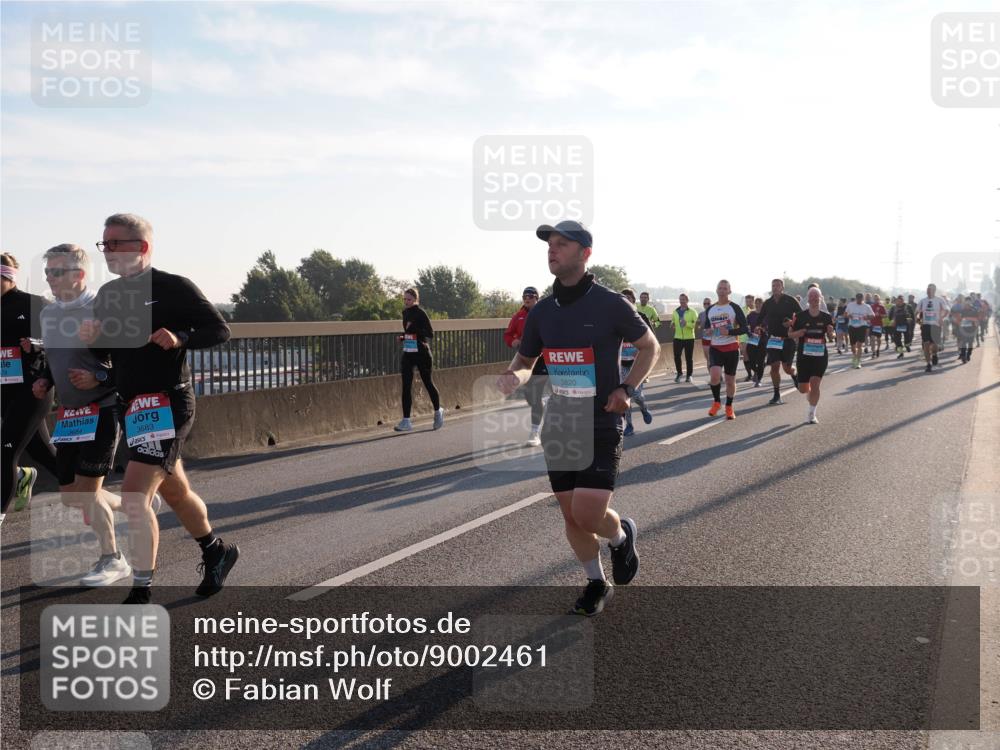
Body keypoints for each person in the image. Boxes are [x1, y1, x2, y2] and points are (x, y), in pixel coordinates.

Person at [496, 220, 657, 617]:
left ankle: (621, 537)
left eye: (562, 244)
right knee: (571, 515)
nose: (552, 250)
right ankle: (596, 582)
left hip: (601, 420)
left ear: (585, 253)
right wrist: (512, 377)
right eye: (550, 244)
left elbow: (649, 347)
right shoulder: (543, 311)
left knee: (588, 513)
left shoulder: (610, 304)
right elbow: (525, 360)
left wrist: (627, 389)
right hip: (561, 422)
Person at [81, 213, 238, 604]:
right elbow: (107, 352)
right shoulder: (108, 295)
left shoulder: (173, 287)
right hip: (132, 405)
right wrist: (93, 341)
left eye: (116, 243)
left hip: (169, 404)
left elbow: (219, 329)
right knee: (176, 490)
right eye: (105, 245)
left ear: (142, 247)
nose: (109, 252)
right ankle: (216, 550)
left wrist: (180, 336)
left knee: (135, 495)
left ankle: (141, 589)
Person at [34, 244, 144, 585]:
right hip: (69, 415)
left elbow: (131, 363)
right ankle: (131, 507)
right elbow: (57, 357)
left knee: (88, 492)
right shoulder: (49, 314)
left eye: (56, 271)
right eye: (48, 272)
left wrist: (98, 377)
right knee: (71, 495)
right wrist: (45, 378)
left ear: (79, 274)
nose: (49, 278)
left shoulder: (102, 309)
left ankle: (113, 558)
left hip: (103, 409)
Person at [1, 253, 59, 521]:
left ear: (8, 278)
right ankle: (98, 496)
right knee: (45, 455)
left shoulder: (35, 304)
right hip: (3, 391)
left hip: (32, 389)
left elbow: (66, 340)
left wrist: (38, 344)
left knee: (5, 450)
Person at [395, 288, 444, 432]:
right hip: (409, 352)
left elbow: (430, 333)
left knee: (428, 383)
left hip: (422, 353)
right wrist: (403, 337)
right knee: (406, 385)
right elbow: (409, 332)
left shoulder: (421, 313)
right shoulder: (405, 313)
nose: (406, 302)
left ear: (415, 300)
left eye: (409, 299)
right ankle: (406, 421)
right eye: (404, 299)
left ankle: (438, 411)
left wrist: (414, 330)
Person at [504, 286, 547, 446]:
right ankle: (542, 404)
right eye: (524, 296)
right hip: (525, 360)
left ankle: (534, 432)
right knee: (530, 396)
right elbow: (508, 334)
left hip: (543, 360)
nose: (526, 298)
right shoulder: (519, 316)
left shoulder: (545, 314)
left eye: (530, 296)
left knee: (536, 394)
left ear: (537, 297)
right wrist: (513, 341)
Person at [787, 287, 834, 424]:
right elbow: (790, 334)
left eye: (816, 296)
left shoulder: (826, 317)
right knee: (803, 389)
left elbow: (832, 336)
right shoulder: (800, 316)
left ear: (820, 298)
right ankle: (803, 385)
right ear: (808, 299)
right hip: (804, 355)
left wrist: (831, 333)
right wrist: (798, 333)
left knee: (815, 384)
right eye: (811, 296)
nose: (814, 299)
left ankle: (812, 413)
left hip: (820, 356)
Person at [704, 280, 748, 420]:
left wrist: (728, 332)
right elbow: (706, 329)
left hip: (731, 348)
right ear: (716, 291)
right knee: (715, 376)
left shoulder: (734, 307)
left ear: (729, 291)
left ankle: (729, 406)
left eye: (725, 288)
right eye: (720, 288)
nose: (722, 290)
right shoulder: (710, 309)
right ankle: (717, 402)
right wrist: (709, 331)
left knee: (730, 381)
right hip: (715, 348)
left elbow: (744, 328)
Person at [757, 279, 800, 405]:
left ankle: (794, 375)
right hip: (773, 340)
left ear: (782, 287)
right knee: (774, 367)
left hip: (787, 339)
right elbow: (760, 318)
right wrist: (758, 326)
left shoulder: (790, 300)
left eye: (777, 285)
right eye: (773, 285)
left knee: (787, 369)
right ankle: (776, 394)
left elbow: (801, 315)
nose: (775, 287)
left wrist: (792, 323)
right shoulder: (768, 303)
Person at [619, 289, 654, 436]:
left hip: (637, 363)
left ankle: (644, 409)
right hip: (621, 363)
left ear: (633, 301)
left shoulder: (642, 317)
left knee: (637, 396)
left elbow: (652, 343)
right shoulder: (614, 318)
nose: (627, 301)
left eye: (629, 298)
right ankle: (629, 425)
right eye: (624, 299)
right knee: (624, 395)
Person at [917, 283, 947, 373]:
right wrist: (917, 318)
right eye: (927, 289)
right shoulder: (923, 301)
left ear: (934, 290)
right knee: (926, 344)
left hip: (935, 325)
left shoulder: (939, 300)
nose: (928, 291)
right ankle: (928, 364)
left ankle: (934, 354)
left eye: (930, 289)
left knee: (934, 345)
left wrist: (941, 318)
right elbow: (917, 312)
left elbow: (946, 310)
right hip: (925, 325)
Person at [671, 293, 697, 383]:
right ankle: (679, 373)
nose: (682, 301)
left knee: (688, 358)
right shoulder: (675, 311)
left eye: (683, 299)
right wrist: (672, 324)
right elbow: (673, 321)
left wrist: (687, 324)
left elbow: (696, 324)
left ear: (687, 300)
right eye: (680, 299)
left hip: (689, 338)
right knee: (677, 356)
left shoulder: (692, 311)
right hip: (677, 337)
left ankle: (689, 375)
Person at [844, 292, 874, 369]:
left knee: (859, 345)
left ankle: (858, 361)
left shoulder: (866, 306)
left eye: (861, 299)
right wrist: (849, 315)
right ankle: (854, 356)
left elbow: (873, 315)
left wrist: (866, 318)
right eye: (858, 299)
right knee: (853, 346)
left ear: (863, 299)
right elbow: (845, 314)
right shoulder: (850, 305)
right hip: (852, 326)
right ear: (856, 298)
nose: (859, 300)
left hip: (862, 326)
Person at [745, 296, 766, 386]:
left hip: (763, 340)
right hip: (753, 339)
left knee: (760, 361)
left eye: (760, 303)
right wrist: (750, 333)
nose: (758, 305)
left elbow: (770, 327)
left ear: (763, 304)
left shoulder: (767, 315)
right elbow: (746, 327)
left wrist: (763, 329)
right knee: (751, 361)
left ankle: (759, 380)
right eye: (756, 303)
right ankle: (756, 372)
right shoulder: (750, 315)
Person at [952, 295, 978, 364]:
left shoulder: (974, 310)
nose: (967, 303)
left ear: (971, 302)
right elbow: (958, 319)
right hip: (963, 329)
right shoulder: (962, 310)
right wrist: (957, 321)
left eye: (969, 302)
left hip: (972, 329)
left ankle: (968, 354)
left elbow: (976, 319)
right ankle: (963, 356)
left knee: (970, 344)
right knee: (963, 342)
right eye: (966, 302)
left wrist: (968, 318)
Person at [697, 297, 713, 374]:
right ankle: (712, 377)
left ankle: (716, 375)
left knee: (715, 359)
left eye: (708, 303)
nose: (706, 305)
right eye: (704, 303)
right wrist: (699, 325)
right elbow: (698, 326)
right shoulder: (701, 314)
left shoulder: (715, 313)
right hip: (705, 338)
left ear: (711, 304)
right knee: (708, 359)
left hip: (715, 338)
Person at [869, 294, 887, 359]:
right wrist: (868, 319)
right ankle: (873, 352)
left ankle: (878, 349)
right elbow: (868, 314)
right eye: (875, 299)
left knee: (878, 339)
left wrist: (879, 315)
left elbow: (885, 315)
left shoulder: (882, 307)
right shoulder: (871, 306)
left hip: (879, 325)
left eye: (877, 299)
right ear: (873, 300)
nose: (876, 300)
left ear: (879, 300)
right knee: (872, 338)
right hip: (872, 324)